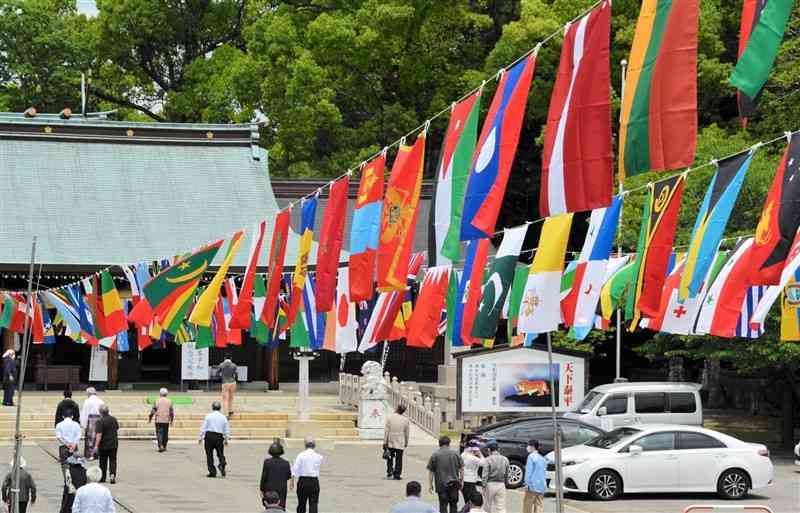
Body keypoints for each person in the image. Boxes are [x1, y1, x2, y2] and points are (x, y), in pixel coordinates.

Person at [426, 436, 463, 513]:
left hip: (441, 485)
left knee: (443, 505)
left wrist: (430, 485)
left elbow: (431, 472)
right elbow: (461, 469)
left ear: (439, 444)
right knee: (453, 505)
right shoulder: (456, 454)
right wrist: (461, 481)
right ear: (449, 443)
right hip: (454, 484)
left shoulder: (435, 455)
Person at [291, 435, 322, 513]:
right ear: (314, 445)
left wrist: (292, 482)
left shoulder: (301, 455)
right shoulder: (318, 456)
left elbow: (295, 469)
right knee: (313, 504)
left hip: (303, 481)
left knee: (301, 503)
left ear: (305, 444)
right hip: (314, 481)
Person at [199, 401, 230, 478]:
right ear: (220, 408)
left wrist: (200, 437)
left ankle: (212, 472)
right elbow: (226, 429)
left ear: (212, 408)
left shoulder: (208, 416)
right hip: (219, 437)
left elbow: (204, 427)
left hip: (209, 436)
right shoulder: (223, 417)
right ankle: (222, 464)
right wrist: (226, 439)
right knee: (220, 453)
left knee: (209, 455)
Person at [260, 441, 292, 508]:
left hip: (269, 489)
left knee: (269, 506)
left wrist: (262, 489)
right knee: (281, 507)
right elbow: (288, 476)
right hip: (281, 489)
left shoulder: (267, 462)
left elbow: (264, 477)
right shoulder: (286, 463)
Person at [93, 404, 119, 484]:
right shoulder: (114, 419)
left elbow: (99, 435)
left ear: (100, 412)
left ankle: (102, 477)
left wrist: (96, 446)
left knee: (103, 461)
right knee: (113, 460)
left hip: (104, 444)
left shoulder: (100, 421)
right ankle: (112, 474)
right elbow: (117, 428)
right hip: (114, 443)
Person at [383, 404, 410, 480]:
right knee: (399, 459)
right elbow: (407, 433)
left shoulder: (390, 418)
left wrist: (385, 441)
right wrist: (406, 442)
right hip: (400, 441)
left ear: (397, 408)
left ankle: (390, 471)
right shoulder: (405, 420)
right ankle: (397, 474)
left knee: (390, 457)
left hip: (390, 440)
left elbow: (386, 431)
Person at [481, 441, 509, 513]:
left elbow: (485, 475)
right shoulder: (505, 459)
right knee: (501, 507)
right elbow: (507, 473)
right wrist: (505, 484)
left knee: (487, 506)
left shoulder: (488, 459)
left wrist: (483, 485)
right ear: (498, 449)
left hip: (490, 484)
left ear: (489, 450)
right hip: (501, 484)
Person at [79, 387, 104, 458]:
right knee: (98, 437)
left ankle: (90, 454)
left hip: (91, 421)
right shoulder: (101, 401)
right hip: (100, 420)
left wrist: (83, 424)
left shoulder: (87, 401)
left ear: (88, 393)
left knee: (90, 438)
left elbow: (84, 413)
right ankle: (98, 453)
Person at [523, 440, 546, 513]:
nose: (527, 448)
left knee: (527, 505)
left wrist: (526, 483)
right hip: (541, 485)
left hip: (532, 485)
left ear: (532, 447)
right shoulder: (542, 458)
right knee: (539, 505)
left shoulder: (531, 457)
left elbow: (528, 472)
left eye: (528, 446)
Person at [55, 411, 81, 476]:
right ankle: (74, 479)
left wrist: (67, 444)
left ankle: (67, 481)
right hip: (74, 446)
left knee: (64, 465)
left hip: (63, 446)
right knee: (74, 464)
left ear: (63, 416)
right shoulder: (76, 424)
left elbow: (59, 437)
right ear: (72, 416)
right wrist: (73, 445)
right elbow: (78, 436)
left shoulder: (59, 425)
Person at [148, 387, 174, 452]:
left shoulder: (157, 401)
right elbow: (171, 412)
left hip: (158, 419)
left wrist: (150, 418)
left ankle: (161, 446)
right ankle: (164, 445)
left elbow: (153, 411)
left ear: (160, 393)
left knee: (159, 433)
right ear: (167, 394)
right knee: (165, 433)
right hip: (166, 419)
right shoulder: (169, 401)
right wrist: (172, 420)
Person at [460, 440, 483, 506]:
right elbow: (484, 463)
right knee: (472, 501)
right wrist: (480, 454)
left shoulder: (463, 455)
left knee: (467, 500)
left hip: (464, 480)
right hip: (471, 482)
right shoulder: (473, 458)